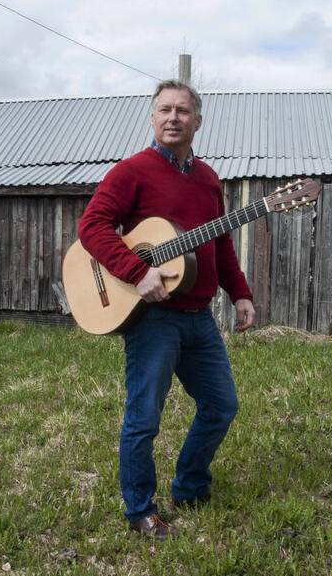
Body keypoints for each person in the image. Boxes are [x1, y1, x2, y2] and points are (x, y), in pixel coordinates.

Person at [77, 79, 256, 540]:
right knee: (145, 418)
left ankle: (190, 488)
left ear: (198, 121)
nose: (172, 117)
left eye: (182, 110)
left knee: (221, 406)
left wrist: (239, 292)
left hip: (199, 316)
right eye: (164, 110)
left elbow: (221, 244)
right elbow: (92, 228)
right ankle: (140, 510)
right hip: (152, 317)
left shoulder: (209, 179)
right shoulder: (131, 171)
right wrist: (136, 271)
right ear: (152, 118)